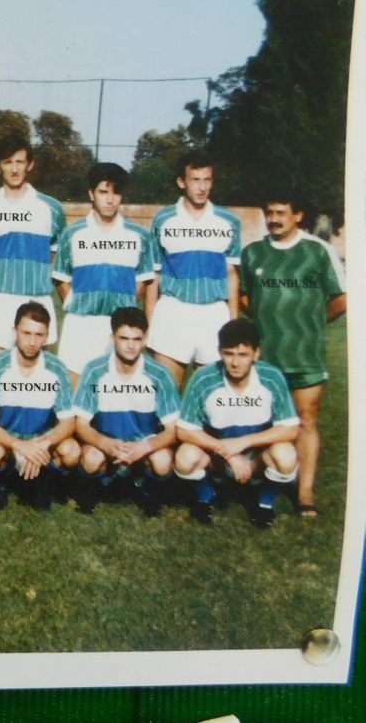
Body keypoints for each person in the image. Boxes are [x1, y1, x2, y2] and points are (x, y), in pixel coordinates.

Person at [240, 190, 345, 519]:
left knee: (306, 420)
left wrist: (309, 324)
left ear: (298, 215)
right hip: (266, 357)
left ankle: (305, 493)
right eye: (269, 212)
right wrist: (268, 321)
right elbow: (245, 298)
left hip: (305, 355)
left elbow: (340, 301)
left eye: (281, 213)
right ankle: (261, 481)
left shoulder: (318, 250)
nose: (273, 219)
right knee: (263, 420)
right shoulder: (253, 252)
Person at [173, 319, 299, 528]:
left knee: (286, 455)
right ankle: (206, 495)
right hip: (217, 459)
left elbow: (291, 429)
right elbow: (185, 431)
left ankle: (265, 501)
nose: (235, 362)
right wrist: (228, 452)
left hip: (257, 458)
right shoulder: (203, 378)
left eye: (243, 355)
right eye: (229, 354)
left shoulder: (272, 377)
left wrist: (243, 442)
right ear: (219, 352)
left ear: (256, 353)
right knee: (185, 457)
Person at [53, 162, 155, 386]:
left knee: (113, 394)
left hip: (119, 328)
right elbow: (61, 277)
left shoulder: (138, 234)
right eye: (103, 192)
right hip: (80, 324)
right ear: (91, 194)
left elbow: (144, 279)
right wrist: (75, 302)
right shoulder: (72, 233)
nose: (110, 200)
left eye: (116, 193)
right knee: (75, 394)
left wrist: (126, 306)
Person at [145, 152, 241, 388]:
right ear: (181, 182)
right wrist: (149, 324)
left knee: (212, 396)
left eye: (207, 180)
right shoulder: (164, 219)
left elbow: (231, 274)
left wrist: (234, 325)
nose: (202, 187)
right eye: (196, 180)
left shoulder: (229, 220)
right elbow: (154, 276)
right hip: (173, 311)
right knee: (166, 395)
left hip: (214, 314)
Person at [72, 307, 180, 516]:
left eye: (136, 339)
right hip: (108, 443)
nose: (131, 346)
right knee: (91, 458)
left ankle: (148, 491)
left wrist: (144, 447)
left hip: (143, 444)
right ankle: (93, 490)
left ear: (145, 339)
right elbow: (81, 424)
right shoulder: (94, 370)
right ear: (112, 338)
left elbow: (172, 430)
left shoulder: (159, 374)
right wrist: (105, 442)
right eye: (124, 338)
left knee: (162, 461)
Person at [0, 134, 66, 363]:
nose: (14, 169)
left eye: (19, 162)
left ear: (29, 164)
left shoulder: (51, 208)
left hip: (37, 300)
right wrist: (1, 282)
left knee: (38, 378)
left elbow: (57, 257)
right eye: (7, 162)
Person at [0, 302, 79, 510]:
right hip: (7, 442)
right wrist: (19, 445)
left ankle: (43, 481)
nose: (32, 342)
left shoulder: (57, 368)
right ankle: (2, 481)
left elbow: (68, 423)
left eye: (39, 335)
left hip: (40, 442)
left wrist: (42, 444)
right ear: (15, 331)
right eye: (26, 333)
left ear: (47, 336)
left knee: (72, 451)